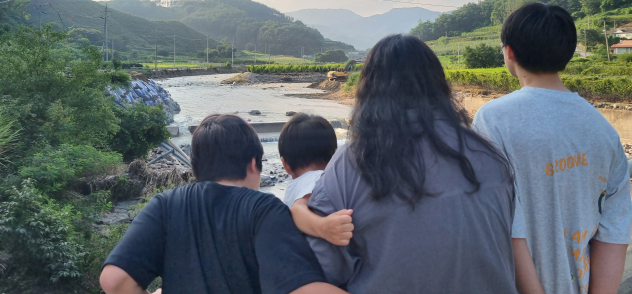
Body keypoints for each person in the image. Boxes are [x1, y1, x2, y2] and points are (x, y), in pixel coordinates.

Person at [306, 34, 518, 294]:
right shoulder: (489, 156)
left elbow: (318, 270)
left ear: (369, 91)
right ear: (439, 86)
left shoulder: (353, 162)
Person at [473, 3, 632, 294]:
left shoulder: (494, 118)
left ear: (509, 52)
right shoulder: (602, 128)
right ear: (567, 53)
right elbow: (615, 230)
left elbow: (507, 221)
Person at [100, 114, 347, 294]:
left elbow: (114, 280)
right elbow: (302, 289)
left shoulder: (163, 205)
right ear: (253, 164)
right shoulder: (264, 209)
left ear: (196, 167)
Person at [278, 114, 354, 246]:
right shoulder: (318, 178)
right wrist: (323, 227)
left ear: (285, 165)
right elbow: (296, 210)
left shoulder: (299, 184)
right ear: (334, 155)